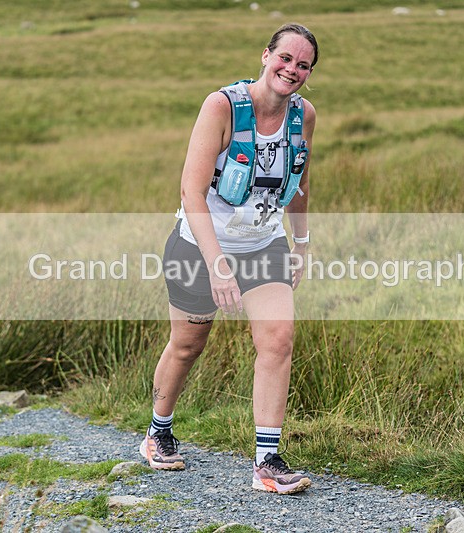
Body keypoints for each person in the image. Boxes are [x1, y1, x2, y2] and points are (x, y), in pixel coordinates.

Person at [139, 23, 318, 495]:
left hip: (263, 245)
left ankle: (267, 462)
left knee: (278, 338)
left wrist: (300, 244)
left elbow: (298, 186)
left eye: (303, 65)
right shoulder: (223, 107)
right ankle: (158, 432)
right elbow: (190, 192)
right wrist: (218, 265)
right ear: (265, 56)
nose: (292, 70)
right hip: (200, 246)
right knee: (187, 345)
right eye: (285, 58)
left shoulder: (305, 117)